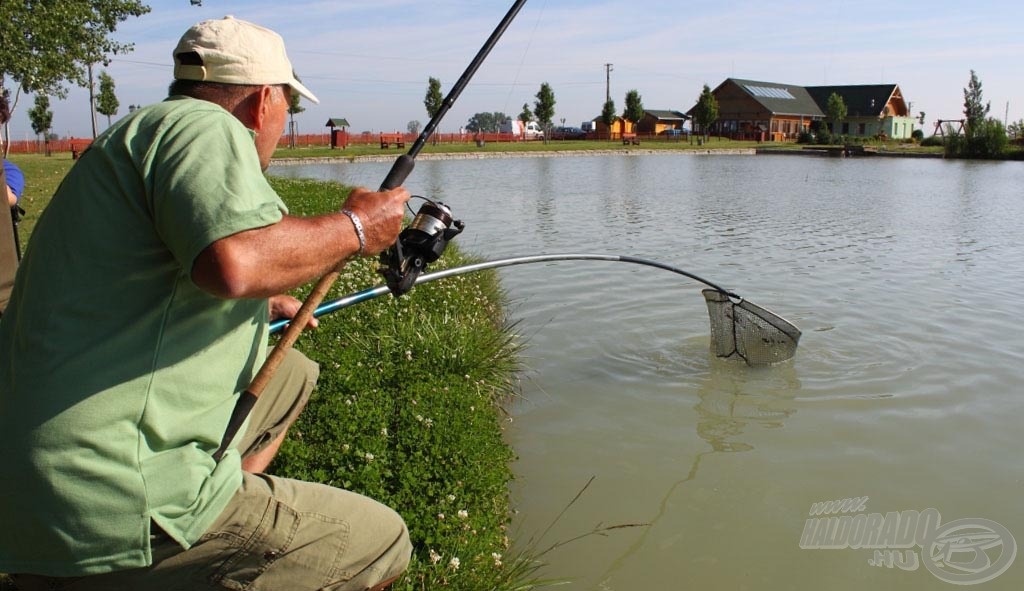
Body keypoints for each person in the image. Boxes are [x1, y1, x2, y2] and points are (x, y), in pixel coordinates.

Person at [1, 16, 412, 591]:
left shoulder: (139, 133)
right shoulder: (205, 127)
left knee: (288, 373)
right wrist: (357, 226)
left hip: (28, 492)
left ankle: (211, 539)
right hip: (102, 499)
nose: (283, 122)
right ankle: (178, 552)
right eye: (287, 107)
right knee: (380, 542)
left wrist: (262, 302)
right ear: (262, 100)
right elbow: (235, 261)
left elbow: (160, 270)